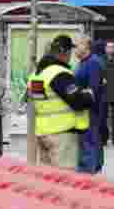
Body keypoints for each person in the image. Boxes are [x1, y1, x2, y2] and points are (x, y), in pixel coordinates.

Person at [27, 35, 93, 171]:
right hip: (61, 135)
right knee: (65, 180)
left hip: (43, 133)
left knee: (49, 180)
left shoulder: (37, 75)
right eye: (69, 52)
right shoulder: (59, 73)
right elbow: (77, 101)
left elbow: (40, 102)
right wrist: (89, 95)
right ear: (65, 53)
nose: (70, 56)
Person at [74, 36, 104, 174]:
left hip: (90, 109)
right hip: (83, 109)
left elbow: (94, 89)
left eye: (78, 45)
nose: (75, 48)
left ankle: (89, 171)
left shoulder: (93, 62)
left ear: (86, 47)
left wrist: (77, 94)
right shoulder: (82, 62)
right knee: (87, 141)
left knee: (89, 141)